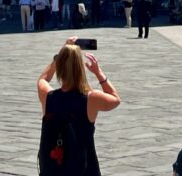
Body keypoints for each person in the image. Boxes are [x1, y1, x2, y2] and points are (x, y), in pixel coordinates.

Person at [37, 38, 121, 176]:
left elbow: (43, 79)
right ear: (81, 69)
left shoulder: (48, 97)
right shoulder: (91, 99)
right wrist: (98, 72)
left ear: (60, 67)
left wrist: (58, 57)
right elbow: (116, 99)